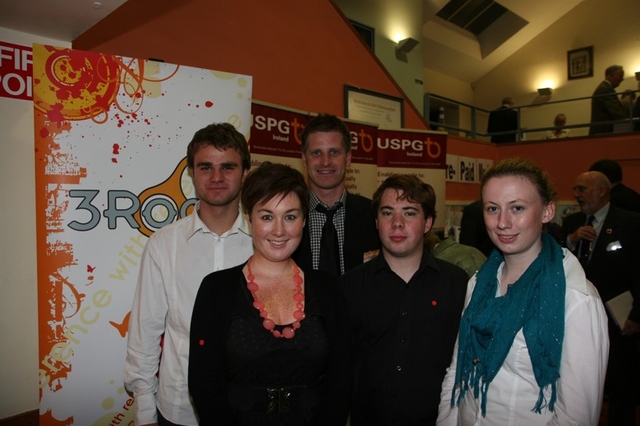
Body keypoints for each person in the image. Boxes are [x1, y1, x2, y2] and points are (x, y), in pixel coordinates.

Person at [438, 158, 609, 425]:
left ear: (547, 212)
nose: (503, 222)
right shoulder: (479, 282)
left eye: (517, 207)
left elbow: (576, 417)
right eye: (492, 208)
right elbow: (457, 371)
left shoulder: (576, 298)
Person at [188, 162, 351, 425]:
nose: (279, 230)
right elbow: (204, 382)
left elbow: (341, 377)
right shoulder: (216, 289)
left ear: (304, 220)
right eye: (267, 216)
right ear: (249, 219)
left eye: (290, 216)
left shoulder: (328, 288)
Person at [124, 123, 254, 425]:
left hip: (249, 407)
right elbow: (144, 332)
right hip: (180, 408)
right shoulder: (164, 245)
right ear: (192, 174)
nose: (217, 178)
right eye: (206, 167)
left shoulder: (267, 242)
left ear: (246, 173)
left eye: (228, 167)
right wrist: (145, 412)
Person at [340, 174, 468, 425]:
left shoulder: (458, 284)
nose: (397, 223)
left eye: (409, 213)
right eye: (387, 213)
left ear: (428, 222)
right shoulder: (348, 287)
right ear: (376, 221)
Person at [562, 170, 640, 426]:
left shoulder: (630, 222)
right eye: (575, 189)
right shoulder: (572, 222)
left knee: (621, 384)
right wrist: (571, 240)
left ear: (602, 191)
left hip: (617, 316)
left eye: (582, 189)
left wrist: (636, 316)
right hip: (577, 316)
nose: (577, 195)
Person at [293, 113, 379, 277]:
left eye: (334, 152)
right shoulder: (287, 217)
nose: (326, 162)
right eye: (316, 153)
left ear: (348, 158)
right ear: (304, 159)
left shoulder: (373, 214)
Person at [589, 65, 627, 135]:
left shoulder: (604, 88)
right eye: (620, 76)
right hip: (604, 132)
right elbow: (616, 111)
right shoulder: (606, 89)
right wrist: (628, 124)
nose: (622, 79)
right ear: (611, 76)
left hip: (602, 131)